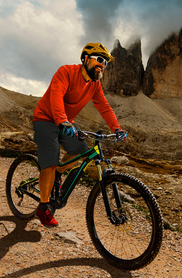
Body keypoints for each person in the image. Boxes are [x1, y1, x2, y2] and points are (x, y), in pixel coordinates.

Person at [32, 42, 127, 227]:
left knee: (81, 151)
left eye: (105, 62)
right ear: (85, 59)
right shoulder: (66, 72)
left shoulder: (94, 84)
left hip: (66, 122)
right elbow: (56, 95)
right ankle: (43, 207)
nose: (102, 65)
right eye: (99, 59)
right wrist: (62, 120)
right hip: (45, 118)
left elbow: (104, 106)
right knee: (50, 159)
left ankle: (58, 174)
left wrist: (117, 128)